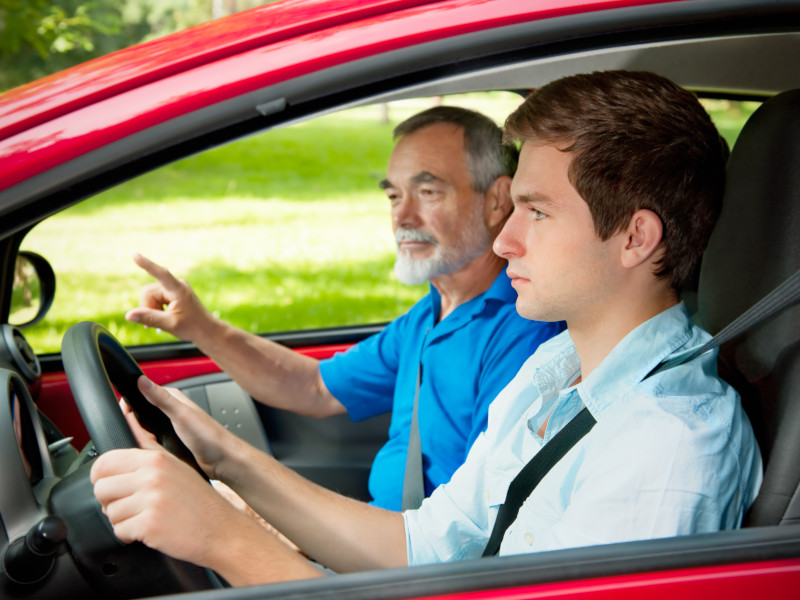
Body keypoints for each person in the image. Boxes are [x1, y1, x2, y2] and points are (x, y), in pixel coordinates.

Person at [91, 70, 762, 587]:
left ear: (635, 237)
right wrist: (223, 458)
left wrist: (225, 540)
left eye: (537, 211)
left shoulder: (665, 445)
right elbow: (426, 546)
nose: (507, 241)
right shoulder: (556, 374)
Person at [124, 106, 564, 510]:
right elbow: (314, 387)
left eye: (427, 191)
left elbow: (472, 527)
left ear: (496, 200)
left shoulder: (524, 328)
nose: (402, 217)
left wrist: (263, 517)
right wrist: (202, 328)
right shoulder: (431, 314)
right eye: (393, 196)